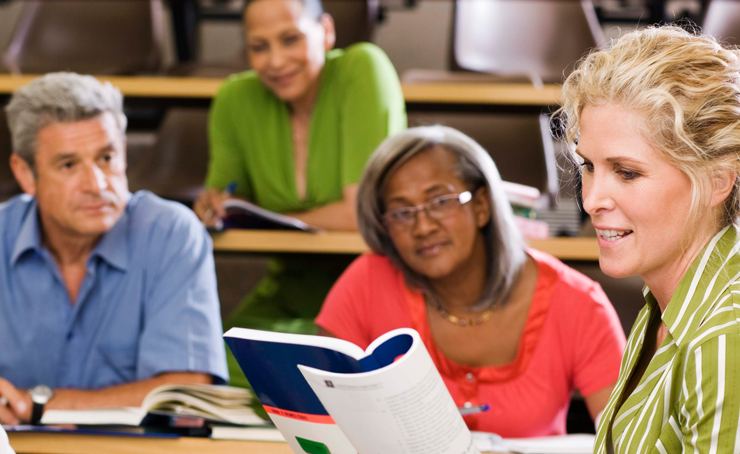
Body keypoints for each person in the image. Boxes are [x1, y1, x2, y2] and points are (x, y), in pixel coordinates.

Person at [315, 126, 626, 436]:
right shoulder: (366, 283)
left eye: (439, 202)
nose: (422, 227)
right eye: (402, 212)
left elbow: (627, 438)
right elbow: (321, 418)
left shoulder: (578, 301)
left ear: (481, 206)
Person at [193, 0, 406, 385]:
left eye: (290, 39)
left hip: (372, 291)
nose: (275, 61)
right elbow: (223, 199)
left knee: (341, 376)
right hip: (289, 292)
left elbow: (361, 213)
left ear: (326, 31)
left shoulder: (364, 67)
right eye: (259, 47)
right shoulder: (234, 99)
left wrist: (276, 223)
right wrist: (211, 208)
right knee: (209, 365)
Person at [0, 72, 228, 425]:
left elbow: (186, 396)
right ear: (26, 174)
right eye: (69, 165)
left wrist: (40, 405)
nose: (97, 184)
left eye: (107, 157)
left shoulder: (170, 234)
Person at [558, 25, 740, 452]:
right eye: (588, 167)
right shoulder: (664, 301)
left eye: (627, 172)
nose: (592, 200)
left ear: (717, 181)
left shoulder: (723, 337)